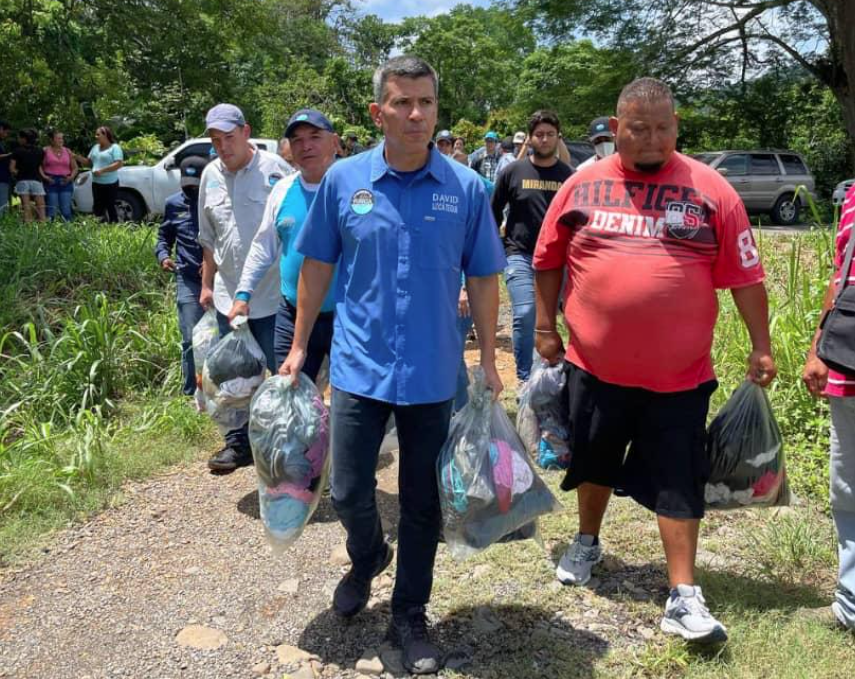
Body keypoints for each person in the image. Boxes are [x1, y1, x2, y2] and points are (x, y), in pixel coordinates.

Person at [281, 55, 506, 674]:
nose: (415, 114)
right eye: (402, 103)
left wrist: (488, 357)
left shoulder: (465, 187)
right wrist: (301, 347)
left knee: (421, 501)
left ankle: (410, 613)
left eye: (426, 103)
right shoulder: (343, 181)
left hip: (434, 371)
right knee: (351, 488)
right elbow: (317, 267)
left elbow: (485, 275)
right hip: (359, 366)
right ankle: (366, 556)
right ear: (378, 111)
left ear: (437, 109)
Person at [533, 77, 775, 644]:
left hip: (680, 377)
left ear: (677, 128)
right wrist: (546, 326)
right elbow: (548, 258)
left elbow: (745, 276)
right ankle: (587, 540)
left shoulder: (712, 190)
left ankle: (683, 594)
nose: (651, 140)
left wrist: (761, 344)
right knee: (592, 463)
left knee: (679, 479)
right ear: (616, 129)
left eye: (663, 128)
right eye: (638, 129)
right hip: (593, 368)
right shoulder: (581, 186)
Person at [197, 103, 295, 471]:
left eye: (229, 138)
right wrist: (206, 286)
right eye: (216, 140)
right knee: (232, 377)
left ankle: (285, 443)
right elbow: (208, 239)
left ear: (246, 131)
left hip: (272, 297)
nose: (223, 146)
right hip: (227, 297)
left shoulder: (275, 170)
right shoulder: (210, 175)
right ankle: (237, 443)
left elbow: (292, 231)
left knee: (280, 372)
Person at [228, 109, 338, 380]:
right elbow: (263, 246)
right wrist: (243, 294)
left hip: (347, 317)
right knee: (289, 391)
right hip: (292, 314)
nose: (306, 146)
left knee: (353, 403)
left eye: (314, 136)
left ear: (334, 142)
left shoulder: (353, 192)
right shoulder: (282, 190)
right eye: (297, 140)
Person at [802, 182, 855, 633]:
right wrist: (818, 348)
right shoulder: (854, 196)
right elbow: (841, 276)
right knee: (848, 483)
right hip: (849, 361)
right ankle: (850, 601)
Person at [492, 110, 572, 384]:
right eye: (539, 134)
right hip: (520, 255)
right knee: (526, 314)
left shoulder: (568, 176)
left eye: (550, 134)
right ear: (530, 138)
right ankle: (525, 379)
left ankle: (557, 375)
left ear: (558, 138)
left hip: (558, 260)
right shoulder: (513, 171)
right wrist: (494, 250)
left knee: (564, 317)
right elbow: (493, 212)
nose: (545, 139)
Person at [155, 156, 208, 397]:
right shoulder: (173, 204)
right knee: (190, 337)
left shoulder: (217, 202)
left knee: (222, 335)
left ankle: (222, 387)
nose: (191, 189)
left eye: (195, 184)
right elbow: (164, 236)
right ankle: (190, 392)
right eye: (187, 184)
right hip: (188, 279)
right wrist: (163, 255)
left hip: (220, 280)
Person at [76, 126, 124, 222]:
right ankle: (99, 228)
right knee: (98, 206)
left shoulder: (115, 148)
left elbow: (119, 164)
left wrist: (102, 171)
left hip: (110, 183)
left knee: (110, 205)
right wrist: (75, 156)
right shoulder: (95, 148)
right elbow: (88, 162)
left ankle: (114, 226)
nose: (96, 136)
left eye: (98, 134)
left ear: (105, 135)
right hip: (97, 183)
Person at [10, 128, 46, 222]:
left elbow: (12, 168)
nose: (18, 139)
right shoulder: (40, 151)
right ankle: (42, 225)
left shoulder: (17, 151)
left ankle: (28, 225)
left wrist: (18, 172)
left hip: (22, 180)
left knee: (26, 205)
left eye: (20, 138)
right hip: (36, 180)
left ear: (24, 139)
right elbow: (41, 166)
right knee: (41, 205)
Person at [41, 129, 78, 221]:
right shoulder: (45, 150)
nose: (61, 140)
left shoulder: (68, 151)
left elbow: (75, 168)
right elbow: (39, 166)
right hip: (51, 181)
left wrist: (71, 177)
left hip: (65, 182)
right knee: (51, 211)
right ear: (52, 140)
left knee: (66, 211)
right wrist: (45, 177)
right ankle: (50, 232)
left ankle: (69, 231)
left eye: (62, 138)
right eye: (58, 138)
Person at [0, 121, 12, 214]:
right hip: (1, 179)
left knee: (3, 204)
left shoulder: (1, 143)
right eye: (6, 132)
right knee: (2, 206)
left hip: (4, 178)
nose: (6, 135)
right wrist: (9, 155)